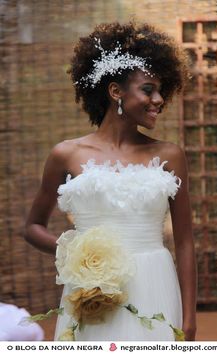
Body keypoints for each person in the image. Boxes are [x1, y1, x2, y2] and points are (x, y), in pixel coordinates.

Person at [25, 21, 197, 341]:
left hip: (155, 284)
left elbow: (185, 242)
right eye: (148, 89)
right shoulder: (66, 154)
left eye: (161, 90)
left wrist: (189, 318)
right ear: (115, 91)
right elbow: (32, 227)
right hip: (91, 289)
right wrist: (75, 251)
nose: (159, 99)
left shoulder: (170, 155)